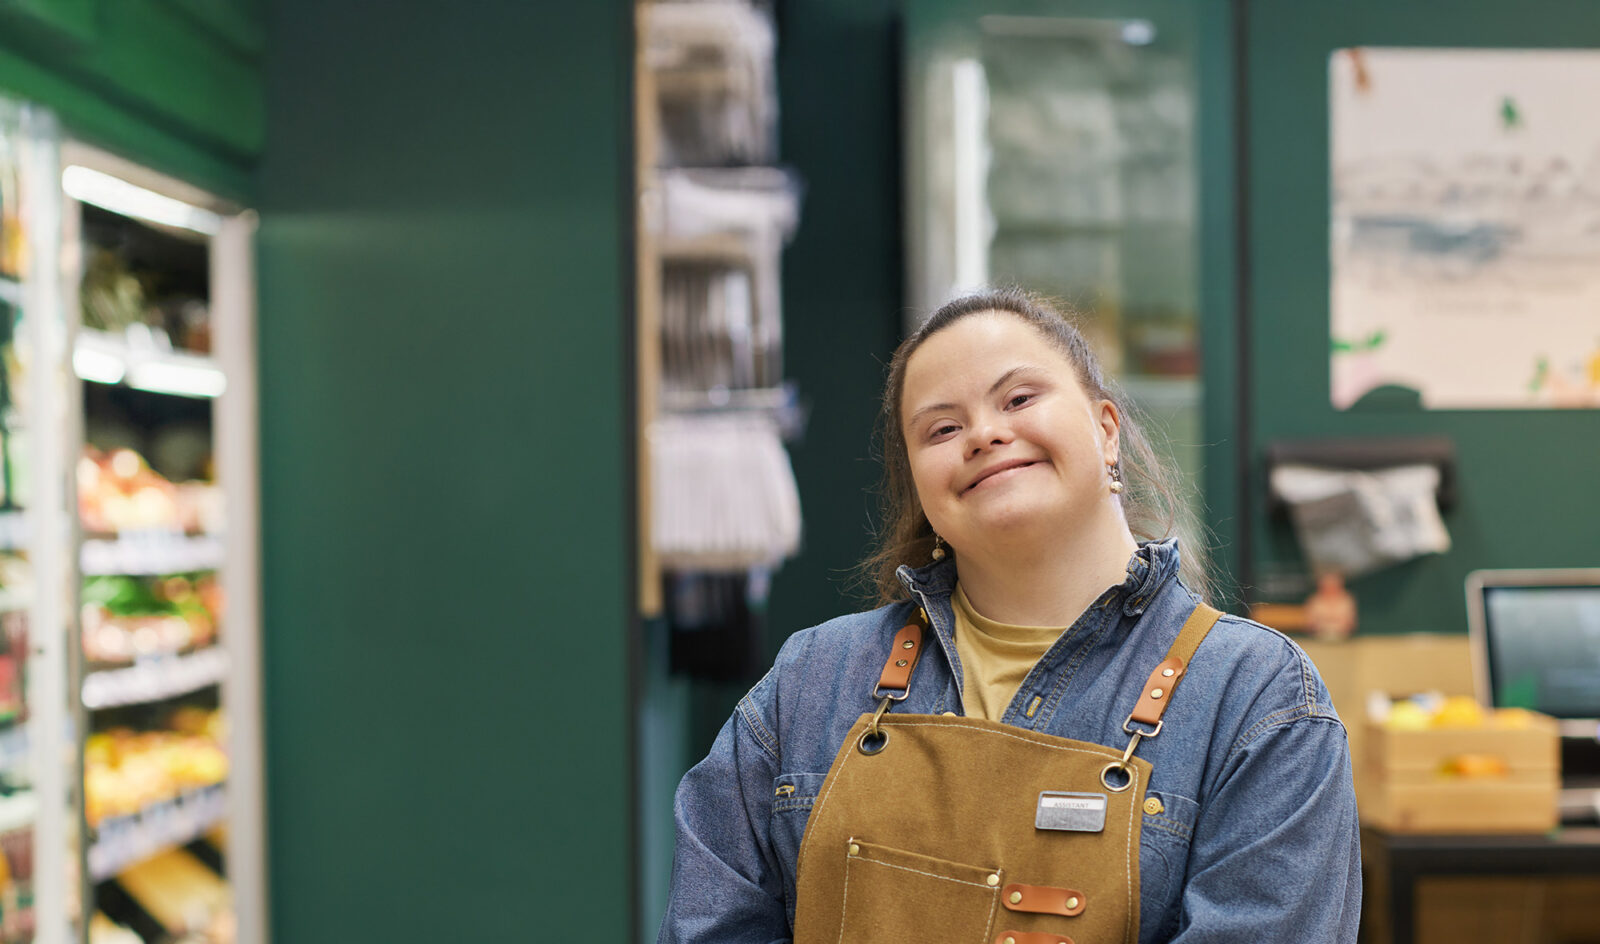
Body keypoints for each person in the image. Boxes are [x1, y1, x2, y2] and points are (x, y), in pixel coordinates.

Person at [658, 289, 1361, 944]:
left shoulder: (1257, 701)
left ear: (1106, 430)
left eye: (1019, 398)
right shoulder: (811, 681)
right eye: (941, 429)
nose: (985, 435)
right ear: (920, 487)